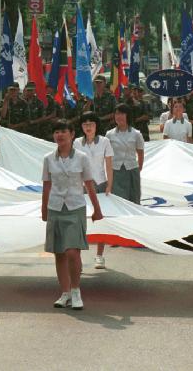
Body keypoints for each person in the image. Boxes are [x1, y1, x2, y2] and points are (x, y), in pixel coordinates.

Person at [41, 120, 103, 310]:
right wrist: (44, 209)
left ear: (72, 134)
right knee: (59, 252)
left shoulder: (82, 158)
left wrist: (97, 208)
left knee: (72, 251)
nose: (60, 135)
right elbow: (46, 184)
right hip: (55, 207)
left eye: (63, 131)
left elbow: (89, 183)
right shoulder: (48, 158)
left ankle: (76, 291)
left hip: (75, 207)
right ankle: (65, 293)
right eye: (56, 132)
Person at [77, 112, 115, 270]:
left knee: (100, 220)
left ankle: (99, 256)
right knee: (79, 221)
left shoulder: (105, 141)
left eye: (91, 124)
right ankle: (77, 258)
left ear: (96, 125)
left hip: (100, 184)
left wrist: (109, 184)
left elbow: (108, 163)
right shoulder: (77, 143)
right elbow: (74, 165)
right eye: (85, 124)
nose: (88, 127)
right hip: (82, 186)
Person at [106, 104, 145, 206]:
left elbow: (140, 153)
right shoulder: (109, 134)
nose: (119, 116)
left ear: (128, 115)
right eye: (117, 114)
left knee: (134, 199)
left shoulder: (136, 134)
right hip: (116, 171)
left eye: (122, 114)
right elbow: (107, 156)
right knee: (119, 201)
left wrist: (138, 168)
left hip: (132, 170)